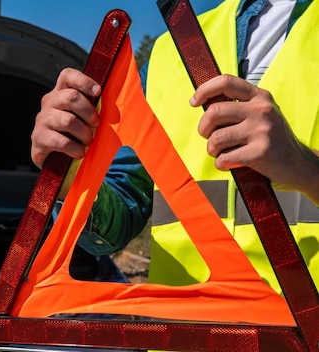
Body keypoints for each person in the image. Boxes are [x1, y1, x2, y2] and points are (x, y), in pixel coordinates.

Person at [31, 0, 319, 294]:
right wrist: (72, 177)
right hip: (187, 335)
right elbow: (113, 229)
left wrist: (305, 168)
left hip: (309, 332)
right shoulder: (170, 52)